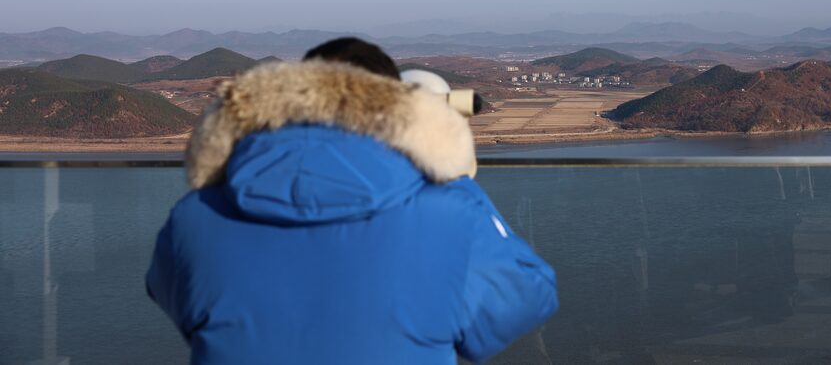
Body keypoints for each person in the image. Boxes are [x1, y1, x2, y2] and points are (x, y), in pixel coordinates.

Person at [146, 37, 558, 364]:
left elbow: (181, 306)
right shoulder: (450, 214)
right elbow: (526, 299)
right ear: (398, 108)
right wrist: (455, 176)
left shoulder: (195, 216)